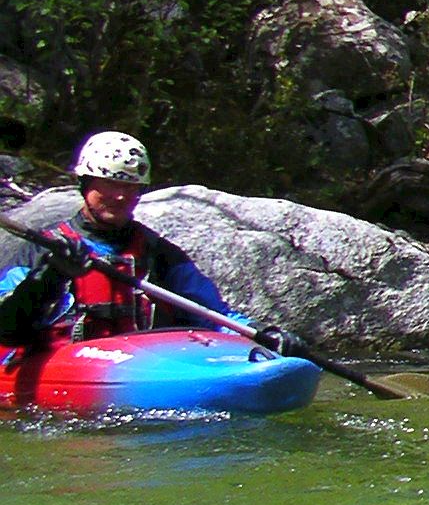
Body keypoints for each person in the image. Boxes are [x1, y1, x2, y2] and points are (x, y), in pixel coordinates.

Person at [0, 131, 300, 352]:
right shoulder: (42, 248)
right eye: (111, 184)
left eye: (131, 187)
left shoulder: (159, 253)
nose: (121, 196)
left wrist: (261, 333)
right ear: (85, 184)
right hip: (60, 366)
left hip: (138, 367)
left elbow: (213, 315)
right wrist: (50, 277)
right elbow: (6, 327)